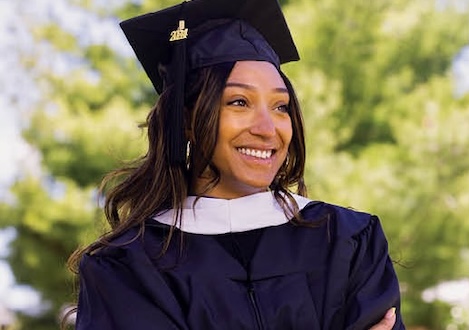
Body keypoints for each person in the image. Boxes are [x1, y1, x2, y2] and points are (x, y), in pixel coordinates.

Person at [69, 0, 406, 329]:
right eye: (239, 102)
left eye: (280, 106)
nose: (266, 128)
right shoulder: (127, 267)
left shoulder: (348, 241)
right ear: (185, 120)